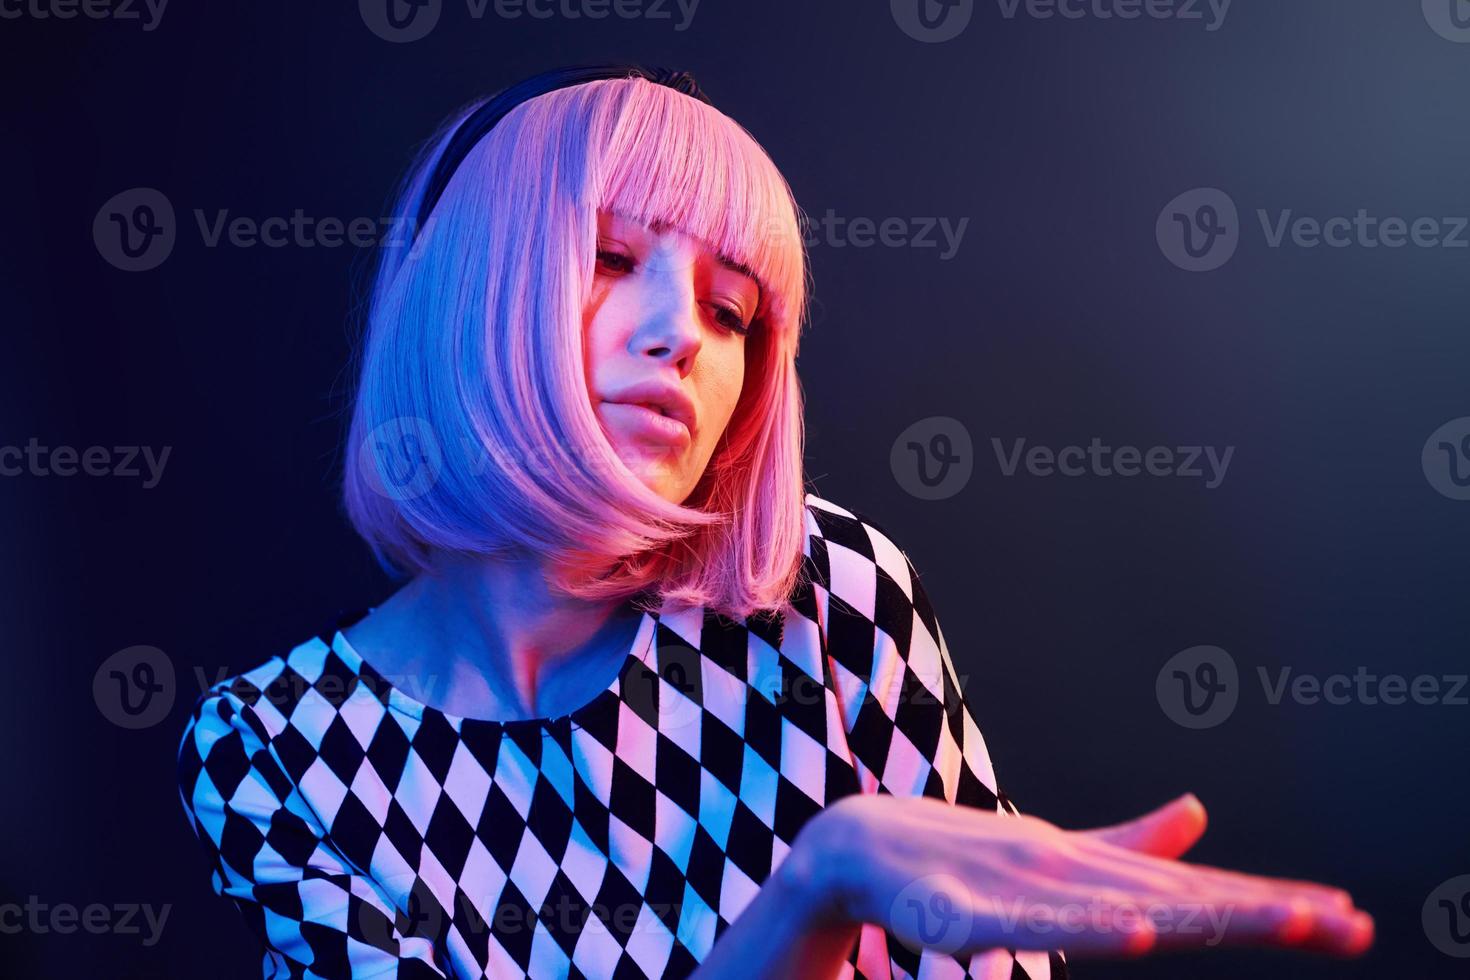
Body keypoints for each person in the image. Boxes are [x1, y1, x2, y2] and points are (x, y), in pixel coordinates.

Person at [175, 65, 1373, 979]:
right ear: (469, 283)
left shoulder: (831, 600)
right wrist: (818, 887)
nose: (682, 334)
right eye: (609, 255)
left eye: (732, 308)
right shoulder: (280, 751)